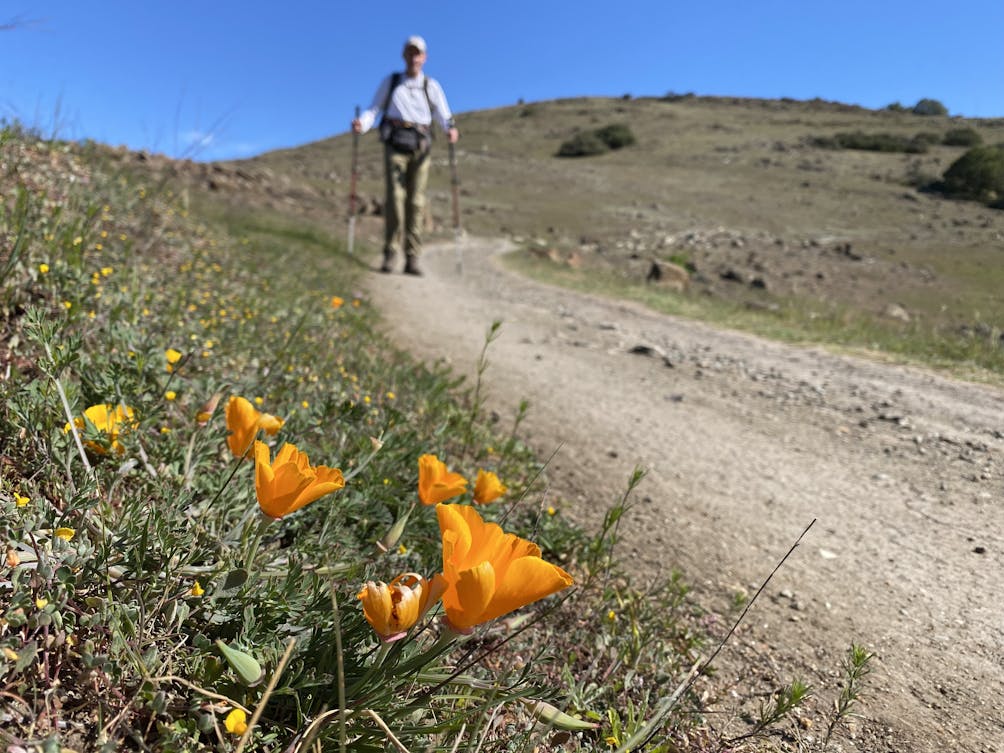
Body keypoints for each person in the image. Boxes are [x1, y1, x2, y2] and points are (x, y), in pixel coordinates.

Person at [352, 35, 460, 276]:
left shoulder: (431, 86)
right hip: (395, 145)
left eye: (418, 53)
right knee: (394, 200)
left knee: (416, 202)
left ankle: (412, 257)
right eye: (410, 53)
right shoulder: (392, 83)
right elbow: (374, 109)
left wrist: (450, 129)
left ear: (424, 57)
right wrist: (363, 123)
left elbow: (444, 114)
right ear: (404, 56)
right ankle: (390, 253)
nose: (414, 57)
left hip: (420, 148)